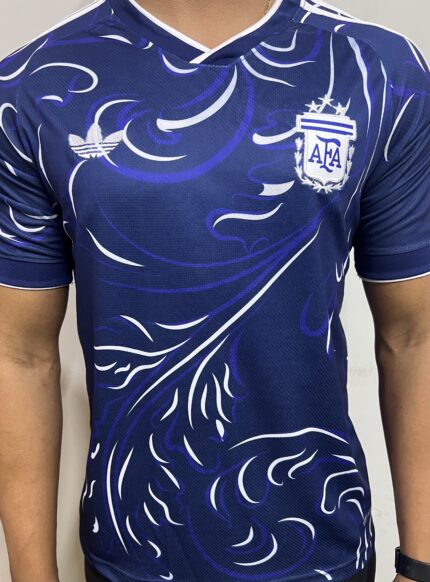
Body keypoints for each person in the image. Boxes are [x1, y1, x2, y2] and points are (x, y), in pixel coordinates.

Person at [0, 0, 429, 580]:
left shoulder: (377, 70)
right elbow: (18, 353)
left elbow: (415, 334)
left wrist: (421, 564)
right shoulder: (31, 86)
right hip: (129, 554)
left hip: (323, 550)